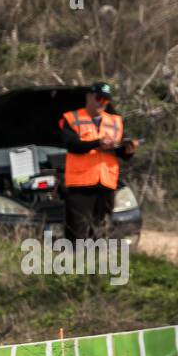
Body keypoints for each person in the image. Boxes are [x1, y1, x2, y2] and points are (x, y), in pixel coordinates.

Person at [58, 81, 139, 243]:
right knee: (78, 230)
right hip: (80, 184)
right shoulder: (72, 118)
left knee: (99, 230)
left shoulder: (115, 122)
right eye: (99, 99)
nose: (102, 103)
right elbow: (73, 146)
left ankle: (96, 265)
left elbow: (121, 152)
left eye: (106, 100)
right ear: (89, 97)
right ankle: (75, 264)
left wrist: (128, 150)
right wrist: (98, 143)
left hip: (106, 183)